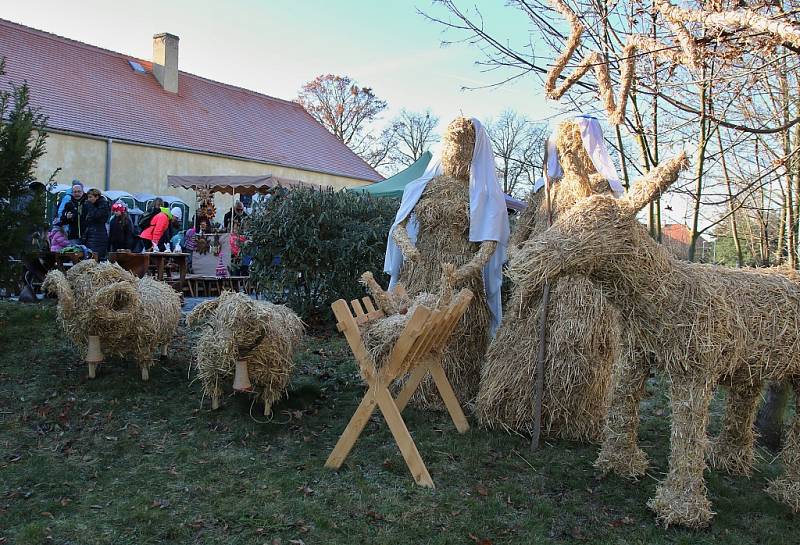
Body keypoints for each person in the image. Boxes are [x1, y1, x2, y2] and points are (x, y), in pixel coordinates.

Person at [83, 188, 111, 260]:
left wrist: (89, 206)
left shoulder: (103, 205)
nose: (89, 199)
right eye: (88, 197)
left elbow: (96, 215)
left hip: (98, 235)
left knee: (95, 257)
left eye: (90, 197)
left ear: (97, 197)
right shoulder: (92, 205)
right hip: (91, 234)